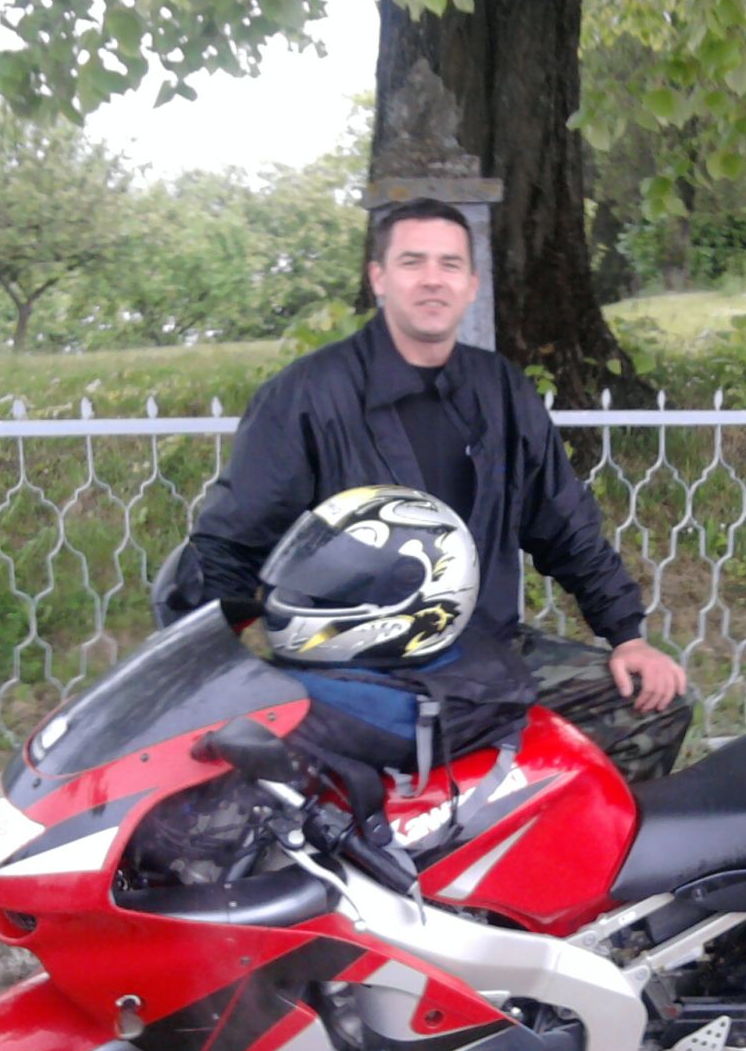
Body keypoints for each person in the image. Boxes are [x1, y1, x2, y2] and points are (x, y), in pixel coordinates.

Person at [187, 197, 691, 782]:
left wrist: (626, 635)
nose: (433, 279)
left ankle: (527, 837)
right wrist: (202, 667)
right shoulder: (307, 395)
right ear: (379, 278)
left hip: (485, 654)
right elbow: (233, 543)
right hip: (355, 669)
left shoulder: (500, 389)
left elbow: (564, 524)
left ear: (471, 284)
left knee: (653, 707)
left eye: (450, 264)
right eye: (412, 261)